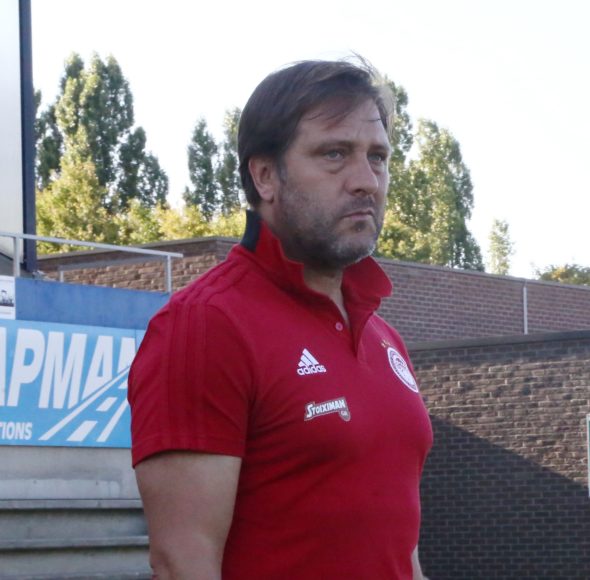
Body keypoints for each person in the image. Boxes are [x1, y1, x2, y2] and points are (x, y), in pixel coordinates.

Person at [128, 57, 432, 579]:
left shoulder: (385, 338)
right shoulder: (205, 325)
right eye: (334, 154)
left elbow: (401, 551)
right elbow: (183, 562)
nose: (367, 181)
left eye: (377, 157)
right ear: (265, 175)